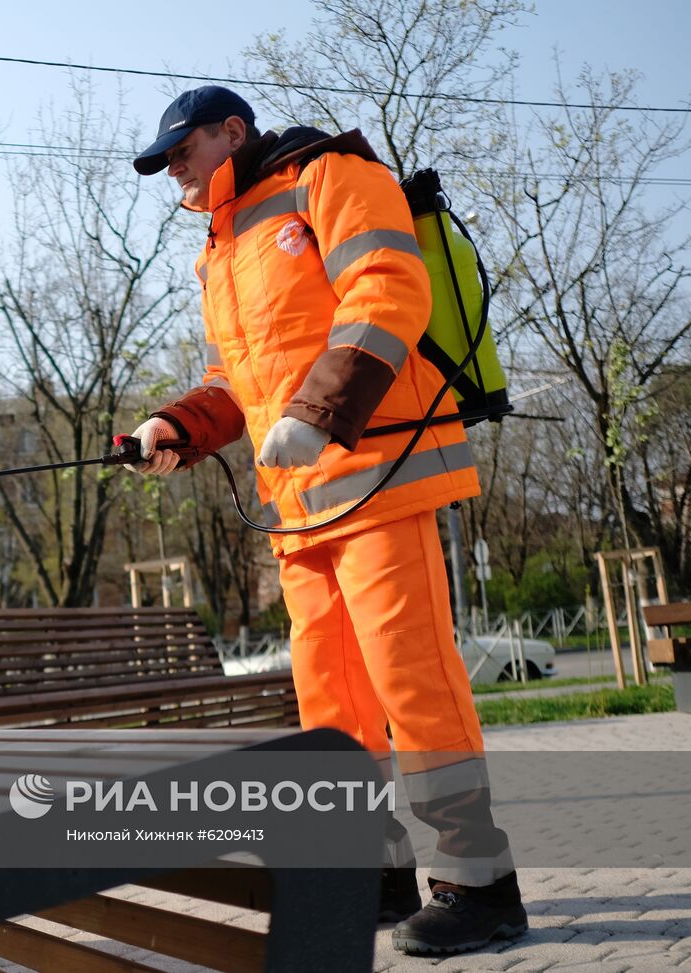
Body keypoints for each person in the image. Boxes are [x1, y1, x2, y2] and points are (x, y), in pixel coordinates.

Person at [128, 85, 527, 956]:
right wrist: (179, 425)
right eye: (161, 164)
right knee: (333, 708)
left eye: (181, 150)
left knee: (410, 679)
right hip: (300, 507)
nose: (173, 171)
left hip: (381, 473)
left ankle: (478, 881)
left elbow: (390, 289)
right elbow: (245, 379)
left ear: (231, 131)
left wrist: (320, 406)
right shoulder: (221, 248)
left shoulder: (328, 174)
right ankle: (370, 868)